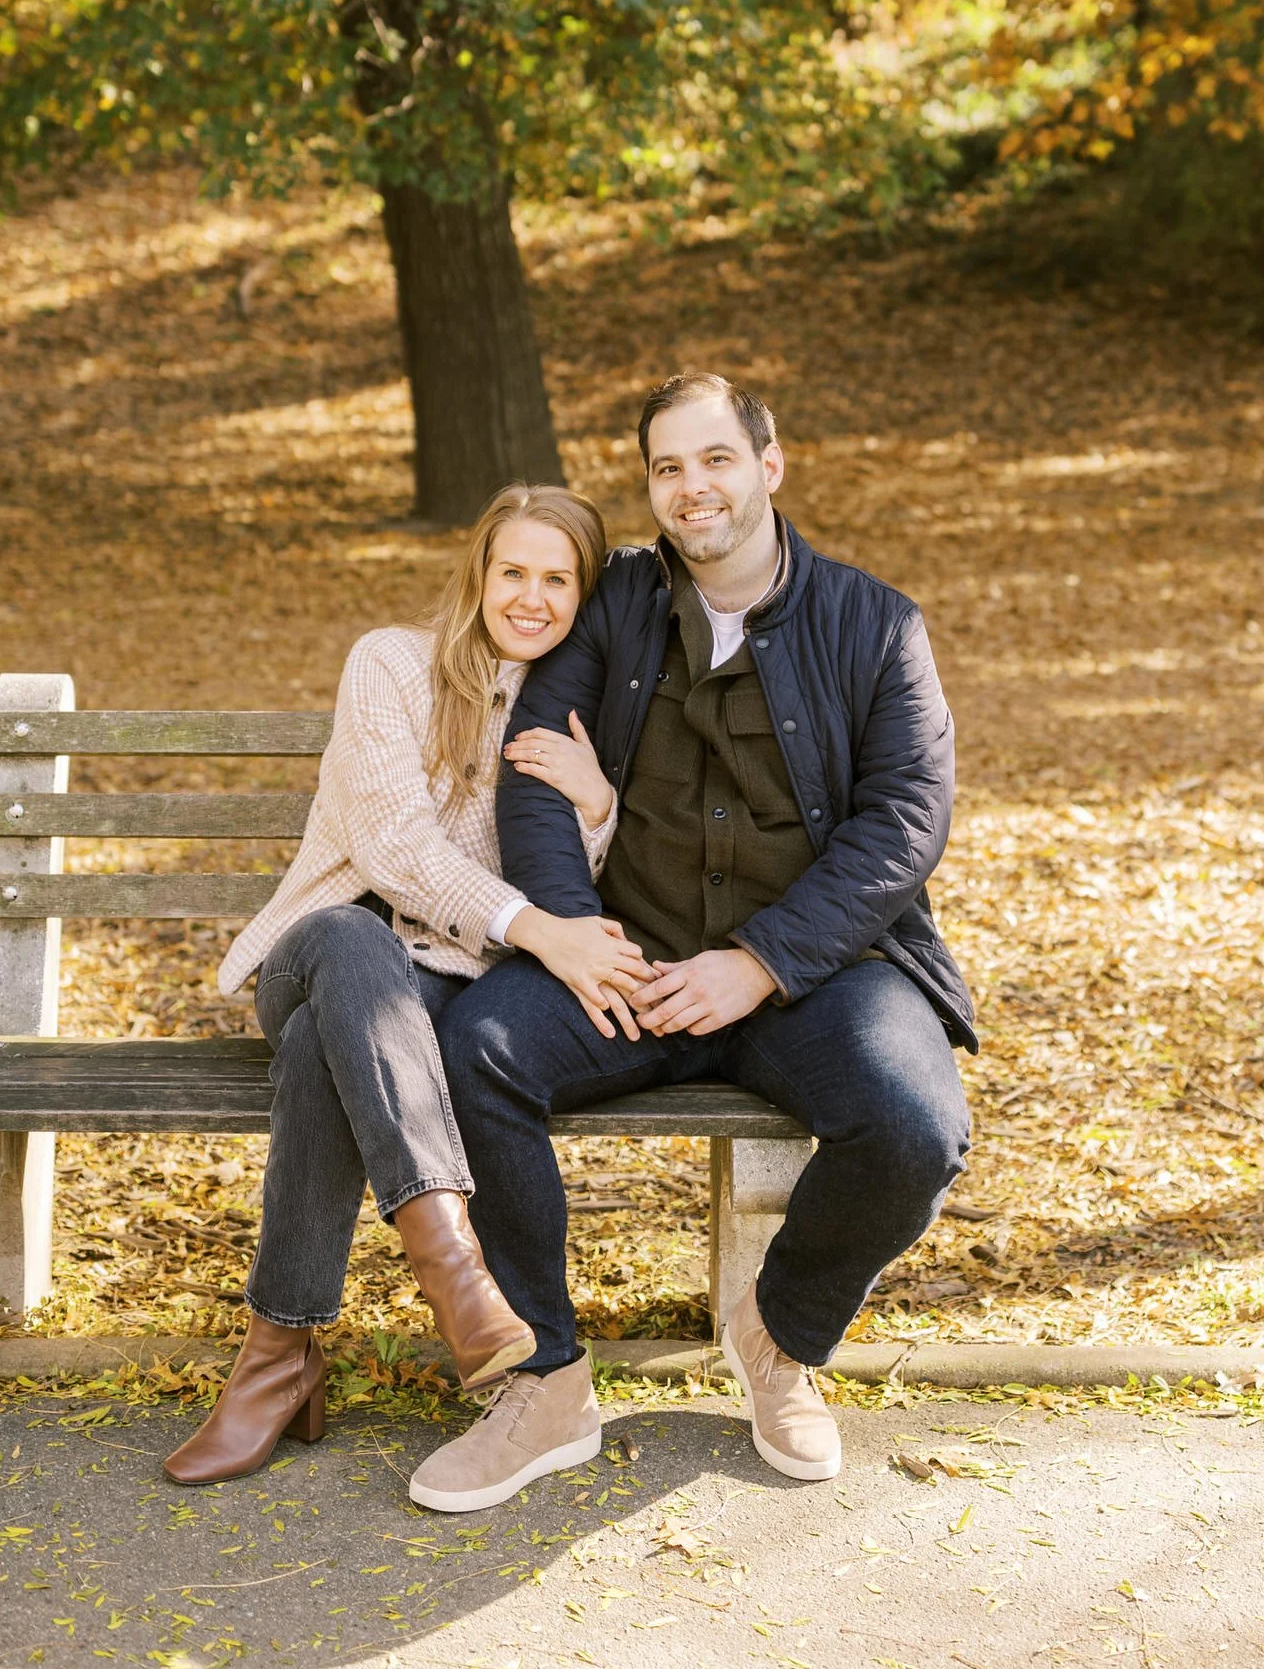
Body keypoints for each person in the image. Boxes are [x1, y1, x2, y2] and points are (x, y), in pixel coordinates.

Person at [415, 371, 975, 1512]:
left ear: (769, 465)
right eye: (666, 466)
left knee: (915, 1125)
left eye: (714, 458)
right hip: (629, 962)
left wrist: (761, 962)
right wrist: (571, 934)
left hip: (810, 979)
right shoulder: (614, 604)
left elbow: (904, 820)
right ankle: (546, 1378)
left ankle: (778, 1335)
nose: (691, 486)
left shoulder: (874, 623)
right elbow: (533, 765)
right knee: (477, 1048)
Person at [163, 483, 647, 1485]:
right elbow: (392, 848)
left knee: (321, 1058)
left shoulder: (575, 708)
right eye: (511, 569)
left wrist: (596, 804)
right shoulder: (391, 662)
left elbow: (572, 877)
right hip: (321, 956)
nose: (530, 595)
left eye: (557, 578)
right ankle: (453, 1271)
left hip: (439, 996)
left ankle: (276, 1360)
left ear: (583, 595)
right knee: (347, 943)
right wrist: (535, 932)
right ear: (476, 574)